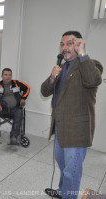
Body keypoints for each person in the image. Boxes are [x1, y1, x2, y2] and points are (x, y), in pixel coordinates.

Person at [41, 31, 103, 199]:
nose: (64, 47)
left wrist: (83, 53)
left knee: (72, 172)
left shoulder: (90, 64)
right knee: (63, 165)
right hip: (60, 126)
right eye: (62, 44)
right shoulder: (60, 67)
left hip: (77, 130)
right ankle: (62, 192)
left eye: (70, 43)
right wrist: (52, 78)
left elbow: (93, 80)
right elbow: (44, 91)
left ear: (79, 45)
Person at [0, 68, 30, 145]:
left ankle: (14, 137)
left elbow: (27, 88)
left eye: (10, 75)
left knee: (19, 112)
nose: (8, 76)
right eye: (6, 75)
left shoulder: (16, 83)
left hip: (15, 109)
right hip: (2, 108)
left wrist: (23, 98)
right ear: (2, 76)